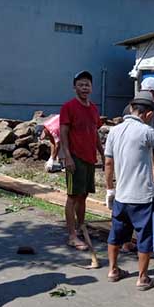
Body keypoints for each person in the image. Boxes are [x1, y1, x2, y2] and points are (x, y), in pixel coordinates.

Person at [104, 91, 154, 290]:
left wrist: (110, 189)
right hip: (142, 197)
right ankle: (143, 278)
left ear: (132, 109)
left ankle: (113, 270)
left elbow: (108, 163)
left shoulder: (114, 131)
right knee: (145, 237)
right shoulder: (146, 131)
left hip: (121, 195)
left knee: (116, 234)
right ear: (149, 115)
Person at [120, 76, 154, 256]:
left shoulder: (131, 108)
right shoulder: (149, 111)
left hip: (127, 167)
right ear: (151, 92)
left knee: (126, 206)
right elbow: (148, 142)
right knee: (147, 209)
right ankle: (149, 248)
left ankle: (126, 243)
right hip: (140, 167)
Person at [60, 70, 104, 251]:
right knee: (72, 196)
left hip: (89, 158)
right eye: (81, 84)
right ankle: (72, 235)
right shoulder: (68, 107)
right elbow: (63, 133)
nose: (84, 88)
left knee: (84, 194)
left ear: (91, 88)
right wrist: (67, 156)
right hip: (75, 157)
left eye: (87, 85)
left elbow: (95, 133)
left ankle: (82, 226)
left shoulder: (93, 108)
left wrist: (102, 152)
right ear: (74, 87)